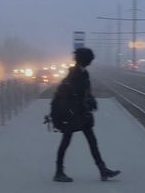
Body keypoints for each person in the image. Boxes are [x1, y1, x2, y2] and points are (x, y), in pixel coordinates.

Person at [50, 48, 121, 182]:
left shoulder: (83, 73)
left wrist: (90, 100)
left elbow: (85, 92)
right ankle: (58, 172)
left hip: (81, 114)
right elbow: (72, 95)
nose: (91, 61)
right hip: (72, 115)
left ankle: (102, 170)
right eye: (90, 58)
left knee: (91, 141)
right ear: (84, 59)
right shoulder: (75, 74)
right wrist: (84, 104)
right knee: (66, 141)